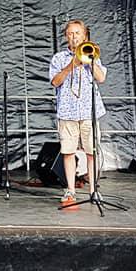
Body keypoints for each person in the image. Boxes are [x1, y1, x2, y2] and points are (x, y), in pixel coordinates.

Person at [49, 19, 106, 206]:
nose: (74, 37)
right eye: (70, 33)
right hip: (67, 112)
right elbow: (55, 82)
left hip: (89, 112)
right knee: (68, 152)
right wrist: (71, 64)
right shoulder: (58, 58)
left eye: (77, 33)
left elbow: (101, 78)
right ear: (66, 36)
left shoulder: (92, 55)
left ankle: (93, 191)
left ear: (84, 36)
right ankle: (71, 191)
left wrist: (89, 61)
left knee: (92, 152)